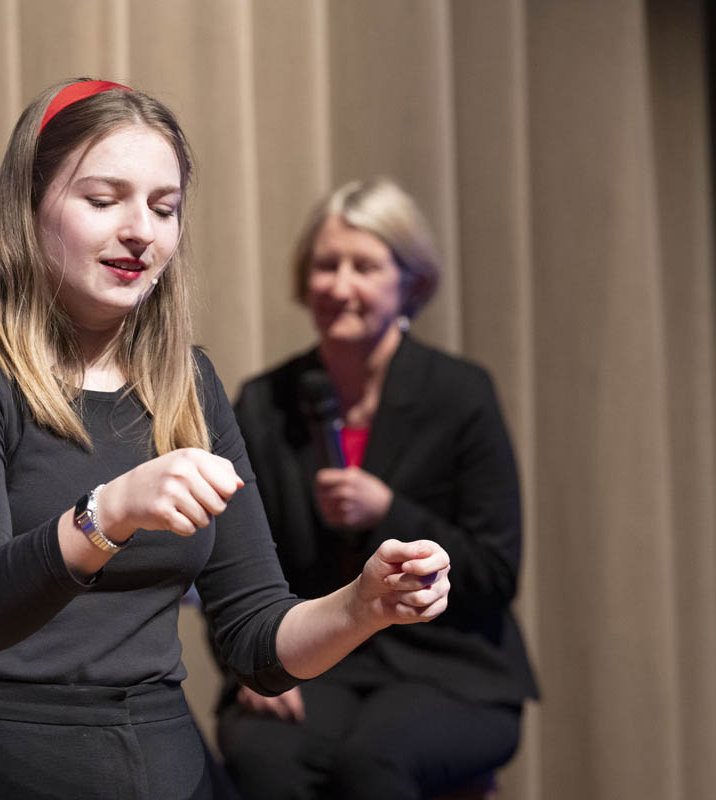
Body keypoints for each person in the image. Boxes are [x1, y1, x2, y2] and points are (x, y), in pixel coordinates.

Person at [0, 80, 452, 800]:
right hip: (15, 761)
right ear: (28, 210)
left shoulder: (188, 383)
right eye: (104, 201)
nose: (142, 232)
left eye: (164, 208)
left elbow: (256, 640)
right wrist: (110, 511)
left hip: (167, 761)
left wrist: (360, 605)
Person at [214, 178, 539, 799]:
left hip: (447, 667)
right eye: (326, 266)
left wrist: (389, 511)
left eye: (364, 267)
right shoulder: (264, 402)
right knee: (262, 752)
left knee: (374, 760)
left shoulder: (460, 394)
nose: (340, 286)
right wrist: (253, 664)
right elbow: (230, 556)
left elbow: (495, 571)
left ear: (411, 282)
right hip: (322, 656)